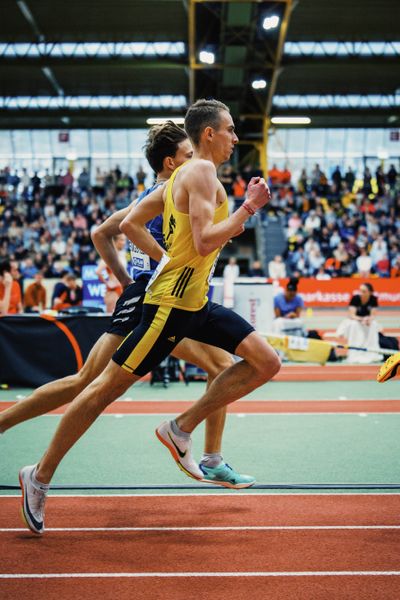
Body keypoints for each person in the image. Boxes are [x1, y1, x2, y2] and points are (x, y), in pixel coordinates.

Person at [18, 100, 279, 534]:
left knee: (266, 362)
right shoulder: (198, 172)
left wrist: (165, 258)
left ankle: (181, 428)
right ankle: (39, 476)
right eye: (230, 130)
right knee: (101, 389)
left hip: (195, 303)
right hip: (169, 310)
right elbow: (200, 242)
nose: (237, 138)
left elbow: (131, 223)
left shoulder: (182, 176)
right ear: (208, 134)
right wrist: (247, 209)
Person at [336, 283, 383, 364]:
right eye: (360, 291)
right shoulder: (355, 298)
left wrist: (368, 319)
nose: (361, 293)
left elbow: (373, 315)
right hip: (356, 320)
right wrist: (362, 319)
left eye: (364, 291)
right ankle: (355, 350)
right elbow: (351, 315)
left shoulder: (373, 299)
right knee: (354, 324)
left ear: (370, 292)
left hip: (367, 321)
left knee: (374, 324)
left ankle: (371, 350)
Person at [95, 233, 127, 313]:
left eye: (124, 240)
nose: (124, 242)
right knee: (110, 316)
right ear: (115, 241)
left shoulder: (122, 255)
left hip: (122, 288)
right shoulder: (110, 255)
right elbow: (98, 271)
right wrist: (107, 283)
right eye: (122, 240)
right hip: (113, 290)